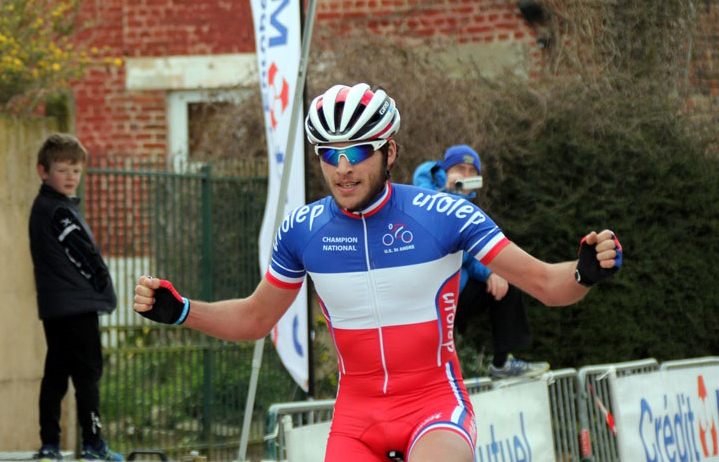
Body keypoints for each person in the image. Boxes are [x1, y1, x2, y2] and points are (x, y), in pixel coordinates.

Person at [134, 83, 622, 462]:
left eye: (357, 152)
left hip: (433, 406)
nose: (343, 169)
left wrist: (583, 272)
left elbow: (545, 284)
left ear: (389, 152)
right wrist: (182, 312)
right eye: (330, 154)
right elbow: (255, 319)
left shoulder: (445, 214)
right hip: (356, 417)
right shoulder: (304, 230)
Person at [413, 145, 549, 379]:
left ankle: (502, 364)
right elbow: (438, 232)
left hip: (458, 289)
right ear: (444, 172)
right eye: (459, 169)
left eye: (471, 171)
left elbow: (471, 252)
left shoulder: (469, 209)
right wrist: (450, 192)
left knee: (507, 290)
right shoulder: (424, 194)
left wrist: (492, 273)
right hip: (425, 294)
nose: (465, 176)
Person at [29, 133, 123, 462]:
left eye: (76, 170)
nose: (70, 177)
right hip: (77, 305)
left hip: (56, 307)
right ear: (43, 171)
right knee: (87, 375)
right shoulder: (59, 212)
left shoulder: (46, 207)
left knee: (56, 373)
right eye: (62, 169)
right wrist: (105, 291)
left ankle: (50, 445)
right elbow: (85, 257)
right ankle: (93, 444)